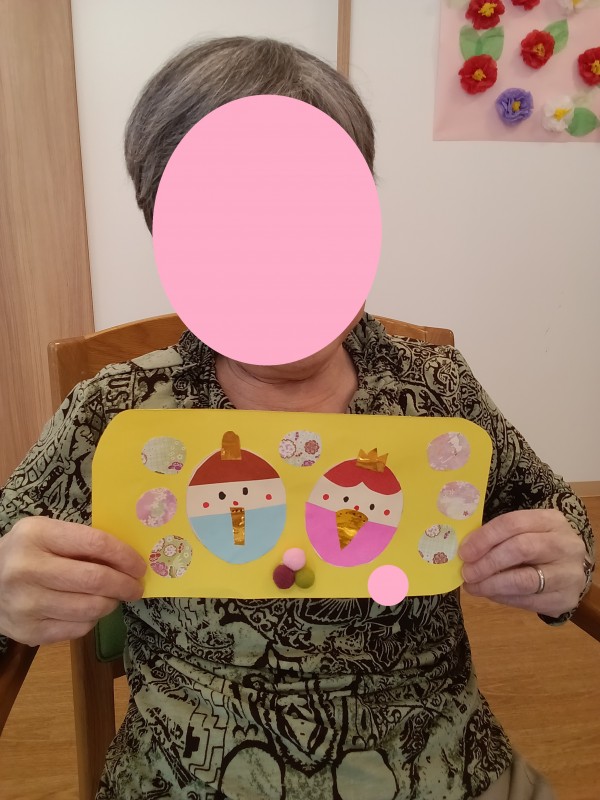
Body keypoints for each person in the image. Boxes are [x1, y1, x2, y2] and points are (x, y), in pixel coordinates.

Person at [0, 37, 594, 800]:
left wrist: (559, 566)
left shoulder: (436, 388)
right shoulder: (115, 411)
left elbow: (561, 526)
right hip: (189, 776)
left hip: (440, 769)